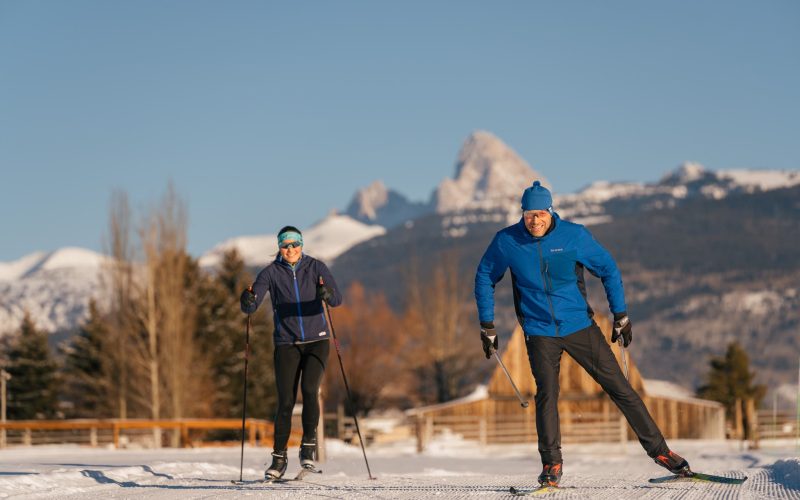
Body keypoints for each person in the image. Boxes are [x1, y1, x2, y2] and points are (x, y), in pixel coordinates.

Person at [474, 181, 689, 487]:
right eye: (528, 215)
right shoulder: (506, 242)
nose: (534, 221)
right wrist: (487, 325)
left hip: (579, 326)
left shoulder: (574, 236)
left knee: (619, 387)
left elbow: (608, 269)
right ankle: (551, 464)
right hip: (539, 331)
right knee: (546, 395)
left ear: (551, 212)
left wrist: (621, 314)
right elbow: (484, 276)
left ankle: (662, 452)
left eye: (540, 214)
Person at [240, 225, 342, 480]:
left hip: (317, 340)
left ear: (301, 244)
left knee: (309, 390)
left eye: (294, 244)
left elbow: (337, 299)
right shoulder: (271, 272)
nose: (290, 249)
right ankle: (279, 458)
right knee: (285, 401)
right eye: (285, 245)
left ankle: (308, 448)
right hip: (286, 342)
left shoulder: (316, 267)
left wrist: (326, 294)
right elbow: (253, 302)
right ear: (279, 248)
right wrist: (248, 300)